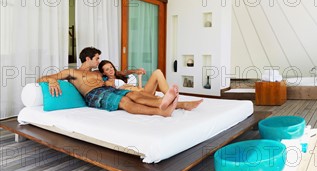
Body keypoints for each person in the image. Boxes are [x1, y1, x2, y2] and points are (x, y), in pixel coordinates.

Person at [37, 47, 202, 117]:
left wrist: (132, 71)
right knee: (125, 101)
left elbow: (118, 72)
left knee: (135, 95)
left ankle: (180, 104)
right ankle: (161, 112)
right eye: (97, 58)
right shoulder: (72, 72)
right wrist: (52, 81)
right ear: (88, 58)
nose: (98, 61)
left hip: (108, 90)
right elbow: (41, 78)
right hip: (94, 95)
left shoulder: (96, 72)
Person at [99, 60, 170, 95]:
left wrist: (139, 75)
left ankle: (168, 94)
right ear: (103, 72)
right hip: (139, 96)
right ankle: (168, 95)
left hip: (142, 92)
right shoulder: (108, 82)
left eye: (111, 67)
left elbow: (138, 88)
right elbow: (111, 89)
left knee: (158, 72)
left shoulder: (119, 75)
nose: (111, 70)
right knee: (157, 72)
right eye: (107, 69)